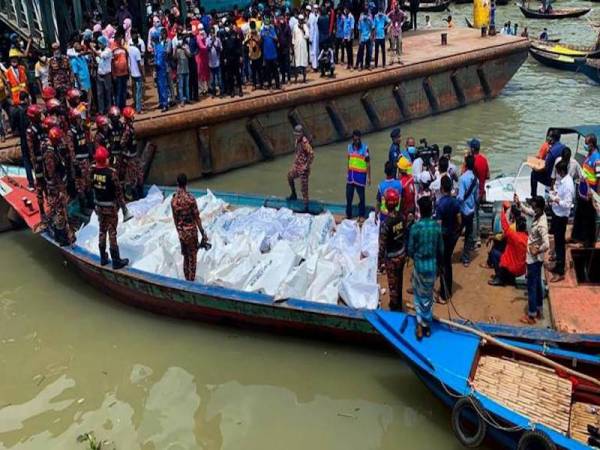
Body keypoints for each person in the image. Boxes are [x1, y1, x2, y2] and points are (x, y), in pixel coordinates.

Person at [408, 196, 443, 339]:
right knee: (428, 297)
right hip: (432, 266)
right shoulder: (436, 227)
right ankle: (426, 325)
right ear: (431, 210)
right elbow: (441, 249)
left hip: (419, 266)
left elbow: (410, 249)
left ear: (420, 211)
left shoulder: (415, 227)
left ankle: (420, 323)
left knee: (418, 295)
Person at [91, 146, 129, 269]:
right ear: (105, 159)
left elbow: (91, 186)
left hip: (99, 207)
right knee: (112, 232)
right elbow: (118, 193)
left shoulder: (92, 171)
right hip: (110, 208)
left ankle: (103, 258)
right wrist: (124, 209)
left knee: (102, 231)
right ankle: (116, 261)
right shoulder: (111, 174)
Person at [516, 195, 549, 325]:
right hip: (535, 258)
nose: (533, 208)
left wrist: (538, 249)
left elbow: (546, 243)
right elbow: (529, 211)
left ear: (539, 207)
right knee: (537, 284)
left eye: (534, 206)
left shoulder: (542, 225)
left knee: (531, 286)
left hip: (534, 258)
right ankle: (539, 309)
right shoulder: (539, 214)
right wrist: (520, 204)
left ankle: (531, 315)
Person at [171, 173, 208, 282]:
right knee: (192, 258)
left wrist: (179, 232)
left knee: (186, 257)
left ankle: (187, 279)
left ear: (177, 183)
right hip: (191, 232)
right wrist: (203, 233)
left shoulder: (174, 200)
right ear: (186, 183)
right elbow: (197, 218)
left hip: (182, 233)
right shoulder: (191, 199)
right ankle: (191, 283)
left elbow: (175, 219)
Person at [42, 126, 74, 246]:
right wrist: (60, 189)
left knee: (61, 210)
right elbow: (52, 173)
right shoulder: (49, 154)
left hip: (59, 185)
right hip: (55, 188)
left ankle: (62, 232)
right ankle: (60, 238)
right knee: (58, 212)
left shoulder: (54, 149)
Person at [378, 189, 408, 311]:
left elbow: (382, 245)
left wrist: (379, 261)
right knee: (399, 280)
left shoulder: (386, 223)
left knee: (392, 285)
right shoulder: (402, 217)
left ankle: (395, 308)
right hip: (401, 253)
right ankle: (399, 304)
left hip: (391, 258)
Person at [487, 202, 528, 286]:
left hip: (513, 266)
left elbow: (504, 224)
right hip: (522, 268)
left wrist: (503, 210)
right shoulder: (527, 237)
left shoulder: (513, 233)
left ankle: (500, 278)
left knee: (494, 252)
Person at [435, 175, 461, 301]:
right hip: (452, 236)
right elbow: (459, 220)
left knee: (443, 265)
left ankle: (444, 294)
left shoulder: (440, 204)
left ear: (441, 188)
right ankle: (447, 289)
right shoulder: (455, 202)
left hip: (443, 237)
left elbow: (439, 225)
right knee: (448, 263)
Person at [548, 161, 574, 283]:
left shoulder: (568, 185)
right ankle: (557, 264)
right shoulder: (564, 181)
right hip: (557, 214)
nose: (557, 174)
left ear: (561, 171)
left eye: (557, 172)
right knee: (558, 242)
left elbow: (567, 204)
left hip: (561, 216)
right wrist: (555, 195)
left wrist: (556, 200)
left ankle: (560, 271)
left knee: (559, 244)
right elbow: (560, 194)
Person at [572, 134, 599, 248]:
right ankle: (577, 237)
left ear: (592, 144)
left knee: (589, 218)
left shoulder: (597, 159)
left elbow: (599, 178)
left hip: (590, 193)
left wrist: (596, 195)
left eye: (586, 143)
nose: (585, 145)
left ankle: (588, 241)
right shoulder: (588, 156)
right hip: (582, 191)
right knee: (580, 214)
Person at [66, 108, 93, 211]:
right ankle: (83, 206)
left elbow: (87, 139)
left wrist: (90, 154)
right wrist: (75, 164)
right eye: (77, 119)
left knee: (88, 182)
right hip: (78, 163)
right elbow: (71, 149)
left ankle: (91, 203)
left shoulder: (82, 128)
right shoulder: (70, 133)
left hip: (85, 160)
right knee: (80, 185)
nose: (79, 120)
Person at [287, 125, 315, 209]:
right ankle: (293, 194)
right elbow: (298, 153)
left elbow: (312, 154)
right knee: (289, 176)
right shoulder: (297, 140)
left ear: (302, 134)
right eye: (295, 134)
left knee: (304, 189)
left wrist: (306, 165)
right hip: (297, 166)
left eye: (298, 134)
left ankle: (306, 206)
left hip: (303, 169)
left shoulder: (304, 142)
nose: (296, 136)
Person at [26, 105, 47, 218]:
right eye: (39, 115)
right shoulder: (30, 131)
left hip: (46, 161)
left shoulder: (42, 126)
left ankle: (51, 207)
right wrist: (35, 164)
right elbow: (31, 150)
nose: (41, 116)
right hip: (39, 163)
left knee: (49, 184)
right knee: (40, 186)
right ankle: (42, 211)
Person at [458, 154, 479, 267]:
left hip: (462, 211)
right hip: (471, 211)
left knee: (456, 232)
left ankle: (449, 253)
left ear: (465, 164)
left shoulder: (462, 178)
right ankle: (466, 258)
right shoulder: (476, 179)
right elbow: (476, 197)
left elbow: (461, 197)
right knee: (469, 234)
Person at [530, 129, 564, 198]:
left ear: (553, 139)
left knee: (533, 174)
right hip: (560, 177)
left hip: (551, 180)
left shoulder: (551, 152)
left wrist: (536, 169)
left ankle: (534, 197)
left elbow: (545, 168)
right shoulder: (563, 147)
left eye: (550, 137)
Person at [346, 129, 371, 219]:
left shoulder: (365, 148)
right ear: (352, 139)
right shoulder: (349, 147)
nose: (357, 141)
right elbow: (348, 161)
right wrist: (347, 173)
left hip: (360, 177)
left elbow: (368, 163)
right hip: (351, 177)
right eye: (355, 140)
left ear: (360, 139)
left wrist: (369, 177)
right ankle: (348, 215)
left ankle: (361, 215)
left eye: (358, 140)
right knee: (349, 197)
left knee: (361, 198)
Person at [469, 138, 489, 246]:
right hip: (481, 191)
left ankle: (475, 239)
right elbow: (488, 175)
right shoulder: (484, 160)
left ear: (472, 149)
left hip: (474, 192)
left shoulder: (472, 161)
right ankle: (477, 237)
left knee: (474, 217)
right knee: (477, 216)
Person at [120, 106, 143, 200]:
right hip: (130, 157)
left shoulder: (130, 127)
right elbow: (122, 143)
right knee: (132, 178)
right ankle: (132, 196)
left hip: (134, 155)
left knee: (139, 174)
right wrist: (127, 155)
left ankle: (139, 193)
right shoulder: (127, 130)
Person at [95, 36, 113, 114]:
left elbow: (102, 56)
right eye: (98, 43)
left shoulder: (108, 50)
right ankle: (101, 111)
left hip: (107, 75)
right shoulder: (98, 51)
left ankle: (109, 110)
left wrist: (93, 49)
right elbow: (98, 60)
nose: (99, 44)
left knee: (108, 93)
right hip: (100, 75)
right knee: (100, 94)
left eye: (100, 43)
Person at [261, 17, 280, 90]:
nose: (267, 25)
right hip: (266, 55)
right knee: (268, 72)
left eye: (268, 23)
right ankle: (269, 85)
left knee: (275, 71)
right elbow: (260, 39)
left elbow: (276, 38)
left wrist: (271, 36)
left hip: (273, 54)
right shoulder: (262, 31)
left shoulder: (272, 30)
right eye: (266, 23)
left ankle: (277, 84)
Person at [128, 35, 144, 113]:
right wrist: (142, 74)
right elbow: (139, 63)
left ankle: (136, 105)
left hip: (132, 73)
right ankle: (139, 108)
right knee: (139, 92)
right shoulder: (137, 51)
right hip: (137, 74)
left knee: (134, 90)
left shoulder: (129, 49)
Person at [292, 15, 309, 83]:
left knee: (304, 64)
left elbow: (307, 36)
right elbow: (293, 38)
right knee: (297, 64)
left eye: (302, 20)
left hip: (303, 47)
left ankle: (304, 79)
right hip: (297, 47)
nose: (300, 21)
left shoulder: (305, 26)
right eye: (299, 19)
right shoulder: (295, 27)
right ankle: (296, 79)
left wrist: (302, 29)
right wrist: (292, 48)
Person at [206, 27, 223, 97]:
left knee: (219, 78)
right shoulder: (207, 40)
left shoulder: (218, 40)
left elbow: (220, 49)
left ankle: (221, 92)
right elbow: (207, 50)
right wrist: (211, 43)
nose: (212, 34)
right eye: (211, 32)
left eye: (213, 32)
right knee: (212, 79)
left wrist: (215, 45)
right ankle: (214, 93)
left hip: (217, 62)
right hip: (211, 63)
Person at [175, 39, 191, 106]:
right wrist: (176, 49)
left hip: (186, 70)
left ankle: (187, 99)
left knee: (187, 86)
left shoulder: (186, 46)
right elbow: (175, 58)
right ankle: (182, 100)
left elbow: (190, 55)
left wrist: (184, 49)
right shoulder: (177, 50)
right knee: (180, 86)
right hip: (180, 71)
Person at [342, 5, 355, 70]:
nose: (345, 10)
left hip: (350, 37)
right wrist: (344, 37)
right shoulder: (345, 17)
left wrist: (349, 36)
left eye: (346, 9)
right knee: (347, 51)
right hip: (346, 36)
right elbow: (345, 28)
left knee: (350, 51)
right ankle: (348, 64)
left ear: (348, 9)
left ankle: (352, 65)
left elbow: (352, 28)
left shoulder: (351, 17)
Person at [308, 5, 320, 71]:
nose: (315, 9)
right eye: (314, 8)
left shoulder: (318, 15)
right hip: (313, 36)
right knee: (313, 51)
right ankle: (314, 65)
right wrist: (311, 38)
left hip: (317, 35)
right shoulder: (311, 16)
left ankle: (316, 65)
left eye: (316, 8)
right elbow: (311, 27)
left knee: (316, 51)